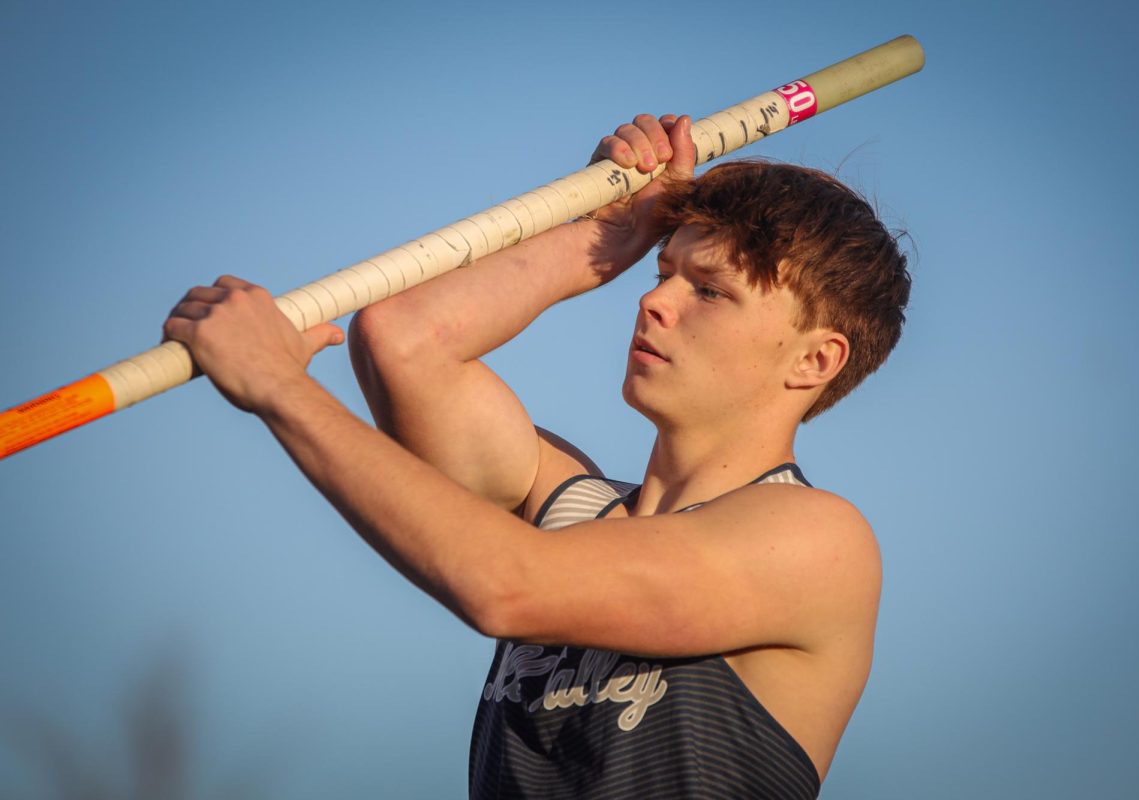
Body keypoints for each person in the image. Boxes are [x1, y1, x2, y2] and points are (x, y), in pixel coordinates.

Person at [163, 112, 910, 798]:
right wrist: (605, 235)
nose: (654, 303)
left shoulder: (816, 539)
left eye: (710, 292)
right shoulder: (575, 508)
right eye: (663, 274)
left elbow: (504, 587)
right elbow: (403, 339)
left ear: (814, 361)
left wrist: (277, 386)